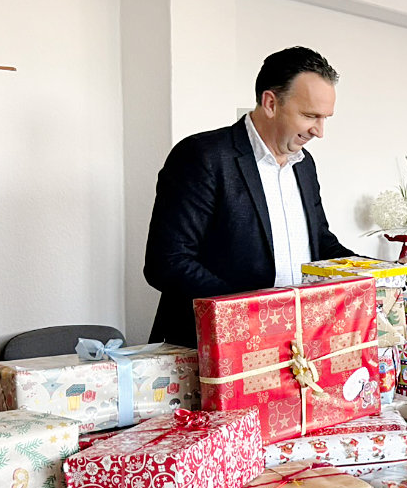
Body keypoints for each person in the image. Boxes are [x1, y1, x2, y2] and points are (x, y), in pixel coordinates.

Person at [143, 47, 357, 347]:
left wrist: (390, 273)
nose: (319, 131)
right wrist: (256, 313)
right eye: (310, 116)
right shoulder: (203, 157)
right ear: (270, 103)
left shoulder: (304, 165)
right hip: (209, 350)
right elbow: (167, 263)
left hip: (289, 348)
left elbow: (320, 246)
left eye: (325, 118)